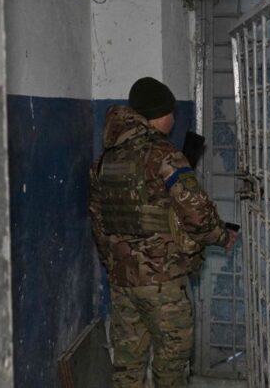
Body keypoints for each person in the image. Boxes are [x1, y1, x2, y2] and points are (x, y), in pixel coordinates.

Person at [89, 77, 238, 388]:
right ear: (161, 115)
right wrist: (222, 236)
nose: (173, 118)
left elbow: (99, 223)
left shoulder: (106, 160)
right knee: (171, 368)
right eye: (171, 112)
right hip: (163, 284)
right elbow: (197, 213)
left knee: (127, 367)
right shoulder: (163, 155)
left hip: (122, 282)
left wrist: (116, 266)